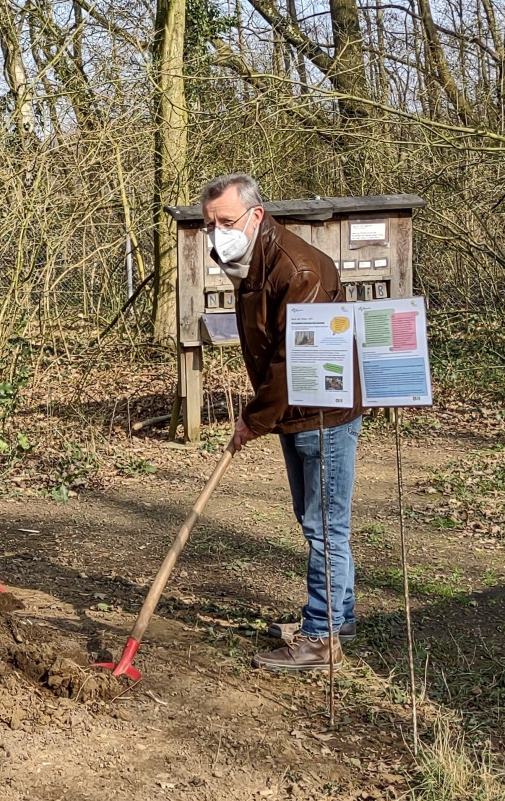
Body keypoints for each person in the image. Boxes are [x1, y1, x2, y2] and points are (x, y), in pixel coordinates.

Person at [201, 173, 363, 671]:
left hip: (322, 413)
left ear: (255, 215)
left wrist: (252, 420)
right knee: (315, 519)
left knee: (324, 525)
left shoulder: (297, 270)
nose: (216, 234)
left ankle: (320, 638)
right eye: (209, 225)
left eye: (225, 222)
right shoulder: (251, 257)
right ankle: (338, 615)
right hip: (295, 410)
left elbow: (293, 362)